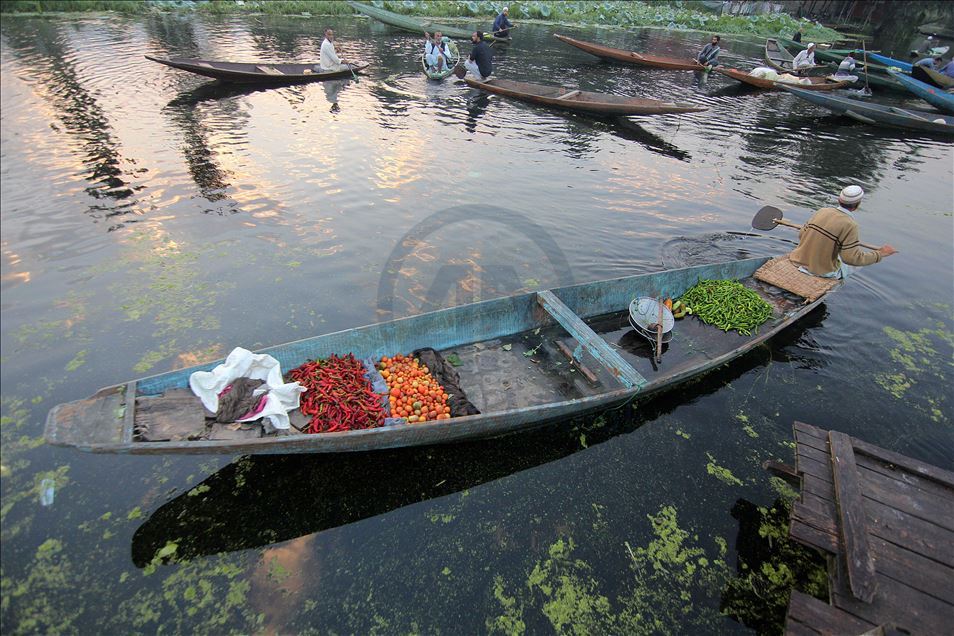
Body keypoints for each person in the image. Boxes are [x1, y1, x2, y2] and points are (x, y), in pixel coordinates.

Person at [789, 185, 896, 280]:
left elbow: (802, 235)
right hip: (821, 271)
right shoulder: (850, 225)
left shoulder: (822, 211)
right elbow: (851, 258)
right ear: (857, 205)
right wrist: (880, 254)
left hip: (797, 259)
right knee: (856, 265)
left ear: (839, 200)